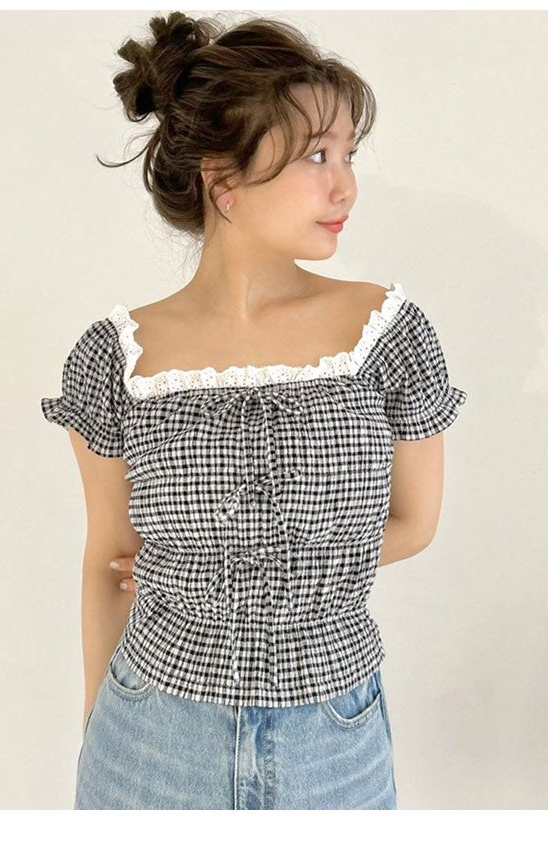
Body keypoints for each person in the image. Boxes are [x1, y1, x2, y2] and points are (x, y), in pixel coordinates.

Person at [41, 11, 467, 810]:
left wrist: (263, 574)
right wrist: (96, 723)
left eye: (348, 154)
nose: (345, 186)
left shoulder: (389, 333)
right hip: (146, 738)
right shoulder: (112, 357)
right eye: (316, 155)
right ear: (223, 179)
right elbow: (110, 560)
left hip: (333, 740)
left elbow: (415, 522)